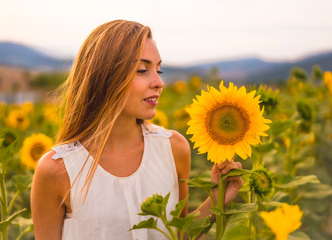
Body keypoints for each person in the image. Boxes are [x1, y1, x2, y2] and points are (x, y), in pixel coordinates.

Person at [31, 20, 243, 240]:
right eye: (142, 70)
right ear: (104, 77)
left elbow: (178, 235)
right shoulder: (57, 169)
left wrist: (216, 199)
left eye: (158, 69)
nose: (159, 82)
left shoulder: (173, 149)